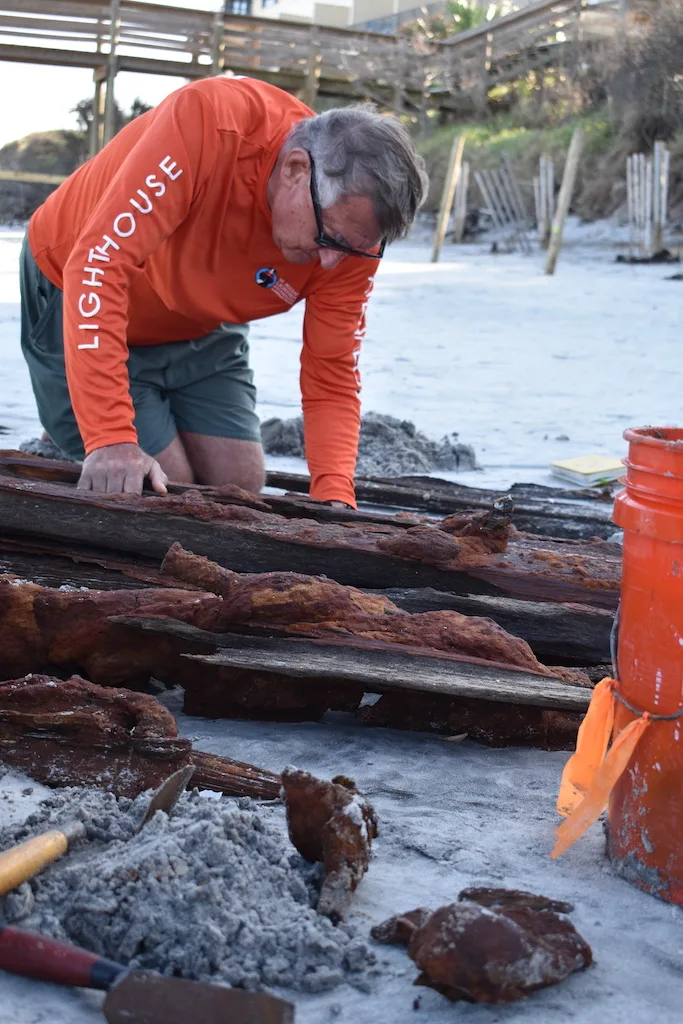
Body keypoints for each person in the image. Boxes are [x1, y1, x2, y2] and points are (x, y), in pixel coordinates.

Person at [20, 75, 428, 507]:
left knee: (239, 485)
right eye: (329, 240)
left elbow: (333, 371)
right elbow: (98, 267)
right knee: (166, 489)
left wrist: (335, 493)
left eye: (352, 248)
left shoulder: (352, 240)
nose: (330, 263)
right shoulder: (209, 123)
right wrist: (110, 437)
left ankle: (126, 416)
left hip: (198, 316)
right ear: (294, 169)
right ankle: (69, 418)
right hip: (79, 287)